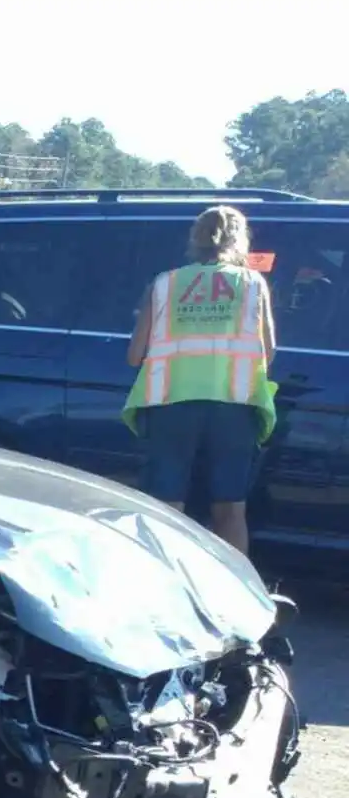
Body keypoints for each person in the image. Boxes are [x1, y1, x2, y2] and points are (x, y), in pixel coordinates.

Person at [123, 204, 277, 555]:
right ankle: (233, 589)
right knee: (230, 510)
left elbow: (135, 356)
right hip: (234, 408)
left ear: (195, 237)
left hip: (170, 405)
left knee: (166, 508)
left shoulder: (165, 283)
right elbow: (267, 352)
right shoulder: (254, 284)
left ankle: (164, 582)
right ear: (240, 239)